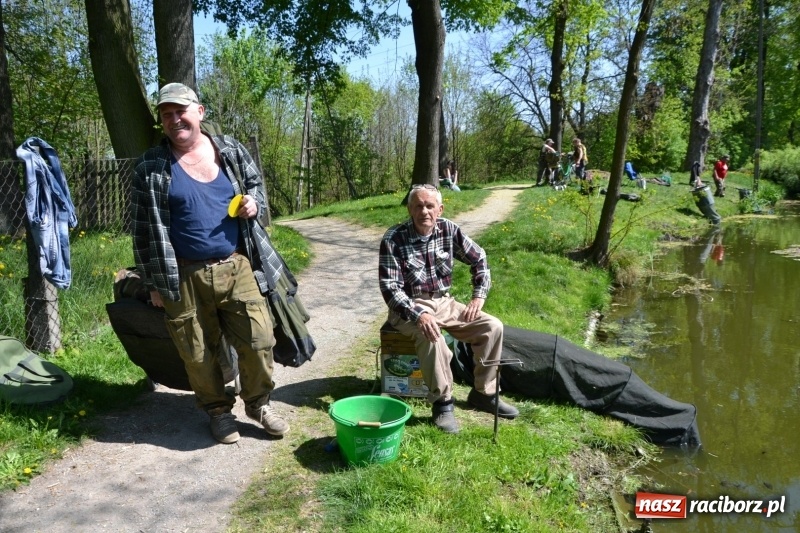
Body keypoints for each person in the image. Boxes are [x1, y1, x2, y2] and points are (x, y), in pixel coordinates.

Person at [131, 82, 289, 444]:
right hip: (181, 274)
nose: (174, 120)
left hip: (236, 264)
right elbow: (141, 232)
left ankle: (258, 403)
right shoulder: (150, 167)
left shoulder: (230, 150)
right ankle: (218, 411)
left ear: (199, 112)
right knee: (197, 353)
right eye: (166, 115)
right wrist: (153, 283)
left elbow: (256, 187)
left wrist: (254, 203)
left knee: (260, 337)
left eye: (180, 111)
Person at [378, 184, 519, 433]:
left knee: (492, 326)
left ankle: (484, 394)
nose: (424, 211)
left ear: (439, 209)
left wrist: (478, 297)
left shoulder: (448, 229)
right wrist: (419, 314)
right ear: (410, 209)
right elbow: (391, 289)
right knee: (431, 335)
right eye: (418, 206)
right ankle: (443, 404)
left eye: (430, 205)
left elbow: (480, 258)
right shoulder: (394, 238)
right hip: (408, 307)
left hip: (444, 301)